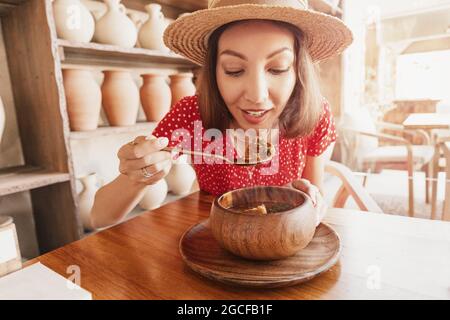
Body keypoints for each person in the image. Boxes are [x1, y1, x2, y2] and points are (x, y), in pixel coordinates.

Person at [90, 0, 353, 229]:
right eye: (234, 70)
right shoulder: (192, 115)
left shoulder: (316, 113)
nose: (257, 95)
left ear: (298, 71)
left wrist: (316, 204)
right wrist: (139, 175)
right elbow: (100, 216)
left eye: (278, 69)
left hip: (282, 239)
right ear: (214, 72)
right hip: (214, 240)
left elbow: (314, 200)